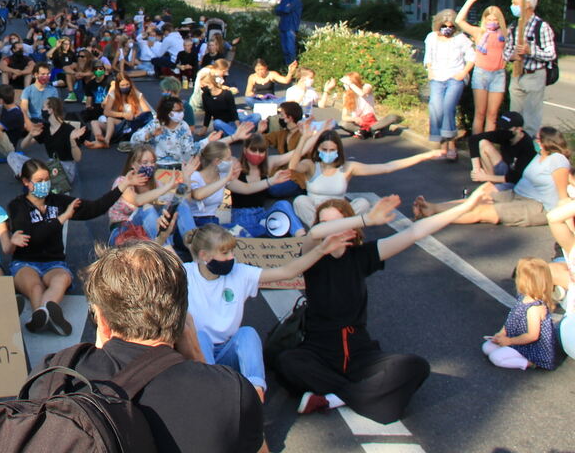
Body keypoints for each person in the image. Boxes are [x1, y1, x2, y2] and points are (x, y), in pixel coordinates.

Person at [279, 188, 495, 422]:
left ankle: (333, 398)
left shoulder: (363, 255)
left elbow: (415, 232)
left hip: (360, 352)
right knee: (287, 362)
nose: (330, 229)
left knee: (416, 366)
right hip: (318, 350)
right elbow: (315, 233)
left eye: (338, 223)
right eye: (325, 223)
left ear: (351, 229)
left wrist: (467, 205)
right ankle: (362, 395)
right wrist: (367, 218)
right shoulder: (311, 256)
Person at [32, 241, 266, 453]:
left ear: (102, 319)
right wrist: (199, 360)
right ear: (182, 316)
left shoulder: (56, 374)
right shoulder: (230, 393)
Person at [184, 223, 351, 399]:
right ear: (204, 255)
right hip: (195, 352)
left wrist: (321, 250)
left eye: (232, 252)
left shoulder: (240, 273)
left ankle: (256, 392)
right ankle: (212, 393)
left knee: (247, 333)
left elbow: (286, 272)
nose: (232, 257)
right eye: (225, 253)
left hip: (227, 350)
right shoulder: (184, 274)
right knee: (200, 337)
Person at [8, 158, 123, 335]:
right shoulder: (17, 206)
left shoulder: (57, 201)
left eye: (47, 179)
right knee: (35, 287)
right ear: (26, 182)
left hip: (53, 263)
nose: (44, 184)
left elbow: (94, 208)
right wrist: (63, 218)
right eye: (39, 181)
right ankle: (46, 315)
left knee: (61, 279)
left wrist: (122, 187)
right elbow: (33, 237)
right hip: (25, 262)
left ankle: (41, 315)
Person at [415, 126, 570, 227]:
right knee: (475, 201)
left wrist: (569, 224)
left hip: (536, 206)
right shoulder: (539, 156)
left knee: (482, 211)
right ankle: (433, 207)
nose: (534, 141)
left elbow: (563, 196)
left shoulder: (557, 160)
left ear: (545, 142)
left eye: (537, 139)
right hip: (517, 194)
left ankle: (432, 215)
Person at [288, 126, 440, 227]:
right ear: (318, 149)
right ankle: (320, 231)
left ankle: (339, 229)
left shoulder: (348, 167)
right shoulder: (311, 165)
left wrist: (424, 156)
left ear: (338, 150)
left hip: (340, 213)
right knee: (300, 201)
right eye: (324, 149)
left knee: (363, 203)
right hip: (316, 215)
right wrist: (304, 139)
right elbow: (292, 167)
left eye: (332, 150)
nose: (328, 153)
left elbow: (387, 167)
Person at [481, 257, 557, 370]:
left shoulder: (534, 309)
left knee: (495, 358)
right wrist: (502, 333)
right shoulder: (523, 297)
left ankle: (530, 362)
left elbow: (532, 336)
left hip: (530, 347)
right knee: (487, 347)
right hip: (518, 339)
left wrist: (509, 341)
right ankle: (510, 351)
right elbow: (512, 319)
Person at [456, 0, 511, 135]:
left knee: (492, 115)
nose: (492, 22)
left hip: (498, 74)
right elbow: (459, 21)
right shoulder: (479, 32)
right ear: (484, 19)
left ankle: (488, 144)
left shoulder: (505, 34)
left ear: (500, 20)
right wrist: (470, 1)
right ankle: (477, 144)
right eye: (489, 19)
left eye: (495, 19)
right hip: (481, 73)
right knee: (480, 113)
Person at [424, 9, 475, 160]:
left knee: (448, 107)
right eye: (444, 26)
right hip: (437, 77)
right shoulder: (431, 37)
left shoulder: (461, 38)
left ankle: (451, 146)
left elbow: (472, 57)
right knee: (436, 107)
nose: (447, 29)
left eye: (451, 26)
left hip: (454, 77)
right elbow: (428, 57)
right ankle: (442, 145)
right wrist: (430, 70)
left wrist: (463, 73)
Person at [508, 0, 556, 136]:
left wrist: (531, 51)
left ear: (527, 5)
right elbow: (506, 51)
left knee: (531, 119)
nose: (512, 6)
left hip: (534, 74)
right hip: (517, 75)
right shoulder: (514, 26)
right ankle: (514, 145)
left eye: (515, 3)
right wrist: (512, 55)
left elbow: (551, 54)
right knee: (514, 118)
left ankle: (529, 146)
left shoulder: (541, 27)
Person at [468, 110, 536, 189]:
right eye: (501, 127)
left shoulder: (527, 146)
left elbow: (515, 178)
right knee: (483, 143)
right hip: (505, 169)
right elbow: (473, 139)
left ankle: (491, 183)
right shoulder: (503, 134)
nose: (502, 130)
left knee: (487, 192)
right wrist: (476, 169)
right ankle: (491, 182)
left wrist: (485, 177)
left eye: (506, 128)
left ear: (519, 129)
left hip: (517, 182)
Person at [334, 72, 402, 138]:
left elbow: (362, 94)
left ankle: (368, 130)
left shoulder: (366, 86)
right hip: (359, 123)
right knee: (342, 124)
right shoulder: (346, 95)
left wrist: (350, 84)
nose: (344, 85)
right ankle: (366, 131)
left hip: (371, 121)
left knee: (392, 117)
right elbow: (344, 117)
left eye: (346, 83)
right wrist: (354, 119)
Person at [274, 0, 302, 66]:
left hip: (291, 27)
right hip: (283, 26)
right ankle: (287, 67)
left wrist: (282, 8)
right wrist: (283, 8)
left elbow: (286, 10)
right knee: (285, 49)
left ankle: (293, 68)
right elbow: (277, 10)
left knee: (290, 49)